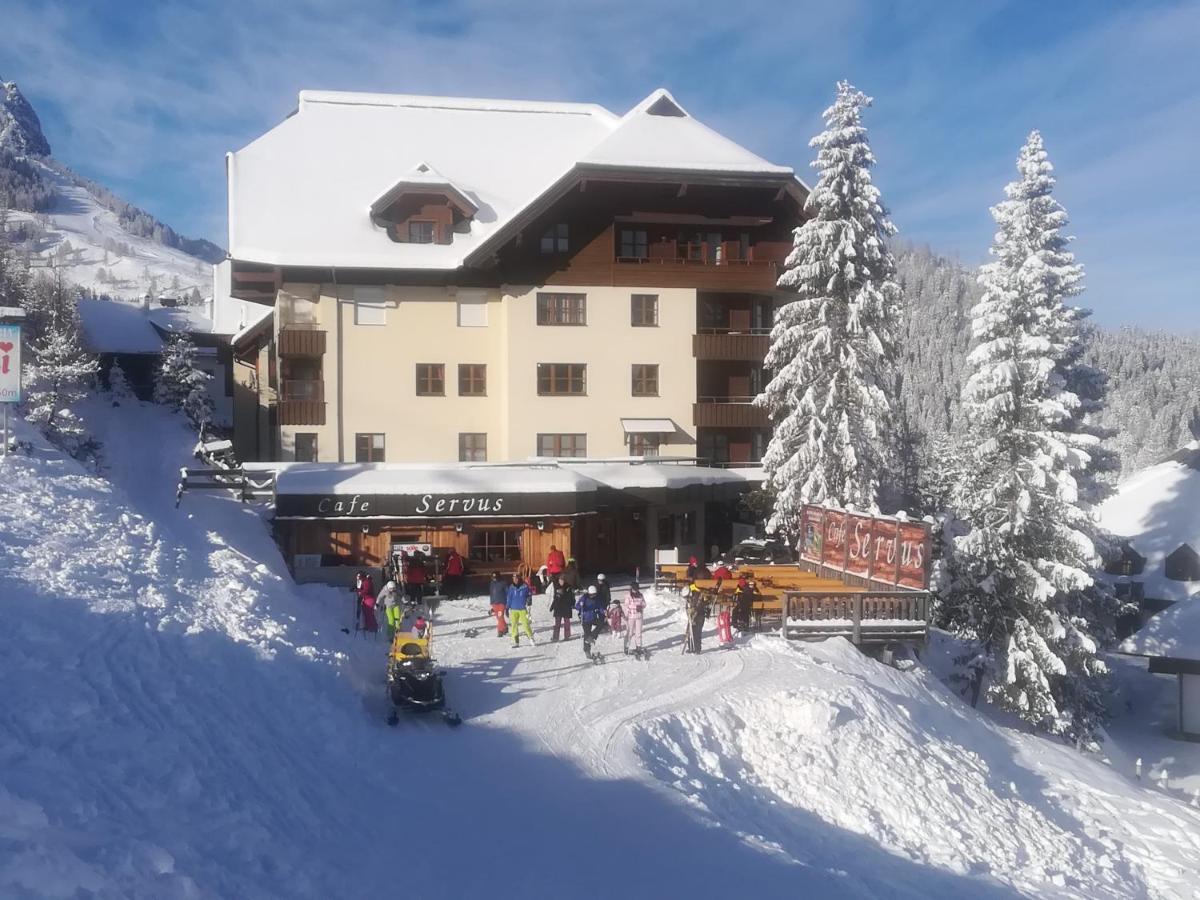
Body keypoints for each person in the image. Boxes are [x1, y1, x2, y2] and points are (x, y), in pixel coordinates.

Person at [575, 584, 605, 659]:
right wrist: (581, 605)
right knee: (587, 634)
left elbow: (599, 607)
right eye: (591, 595)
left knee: (601, 623)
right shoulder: (584, 598)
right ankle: (587, 650)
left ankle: (592, 636)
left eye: (594, 594)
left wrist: (603, 613)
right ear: (589, 593)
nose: (593, 596)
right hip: (585, 619)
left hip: (593, 617)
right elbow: (577, 606)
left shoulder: (596, 598)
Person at [506, 573, 535, 648]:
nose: (515, 580)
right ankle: (516, 641)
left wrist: (529, 600)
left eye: (516, 578)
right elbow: (509, 598)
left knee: (525, 625)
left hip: (522, 609)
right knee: (514, 626)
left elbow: (529, 594)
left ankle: (531, 638)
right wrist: (507, 608)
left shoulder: (525, 586)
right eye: (514, 578)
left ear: (519, 579)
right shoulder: (511, 587)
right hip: (513, 609)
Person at [684, 579, 708, 654]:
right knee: (690, 632)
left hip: (700, 616)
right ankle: (691, 647)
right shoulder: (689, 598)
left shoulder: (698, 595)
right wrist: (688, 612)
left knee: (697, 632)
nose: (686, 599)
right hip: (692, 616)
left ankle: (697, 649)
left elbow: (700, 606)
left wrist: (694, 610)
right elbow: (687, 607)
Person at [549, 574, 573, 641]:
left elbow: (571, 598)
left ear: (564, 581)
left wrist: (563, 594)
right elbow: (555, 598)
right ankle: (555, 637)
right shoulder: (556, 587)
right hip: (558, 608)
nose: (561, 582)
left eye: (562, 580)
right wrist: (552, 606)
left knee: (567, 623)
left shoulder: (568, 587)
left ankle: (567, 636)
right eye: (560, 580)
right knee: (557, 624)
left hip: (566, 607)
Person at [623, 584, 646, 655]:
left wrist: (641, 606)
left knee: (638, 632)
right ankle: (626, 647)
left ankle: (638, 646)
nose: (635, 591)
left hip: (639, 616)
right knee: (630, 632)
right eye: (634, 589)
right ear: (632, 589)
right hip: (631, 617)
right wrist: (634, 607)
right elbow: (626, 606)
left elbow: (644, 604)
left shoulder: (640, 595)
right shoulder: (628, 596)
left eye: (637, 589)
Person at [488, 571, 509, 637]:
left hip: (502, 603)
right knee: (499, 618)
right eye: (493, 577)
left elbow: (507, 593)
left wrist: (507, 603)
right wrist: (492, 604)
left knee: (500, 616)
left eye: (496, 577)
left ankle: (500, 630)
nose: (494, 578)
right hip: (494, 603)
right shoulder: (492, 583)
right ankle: (505, 627)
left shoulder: (503, 583)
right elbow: (492, 594)